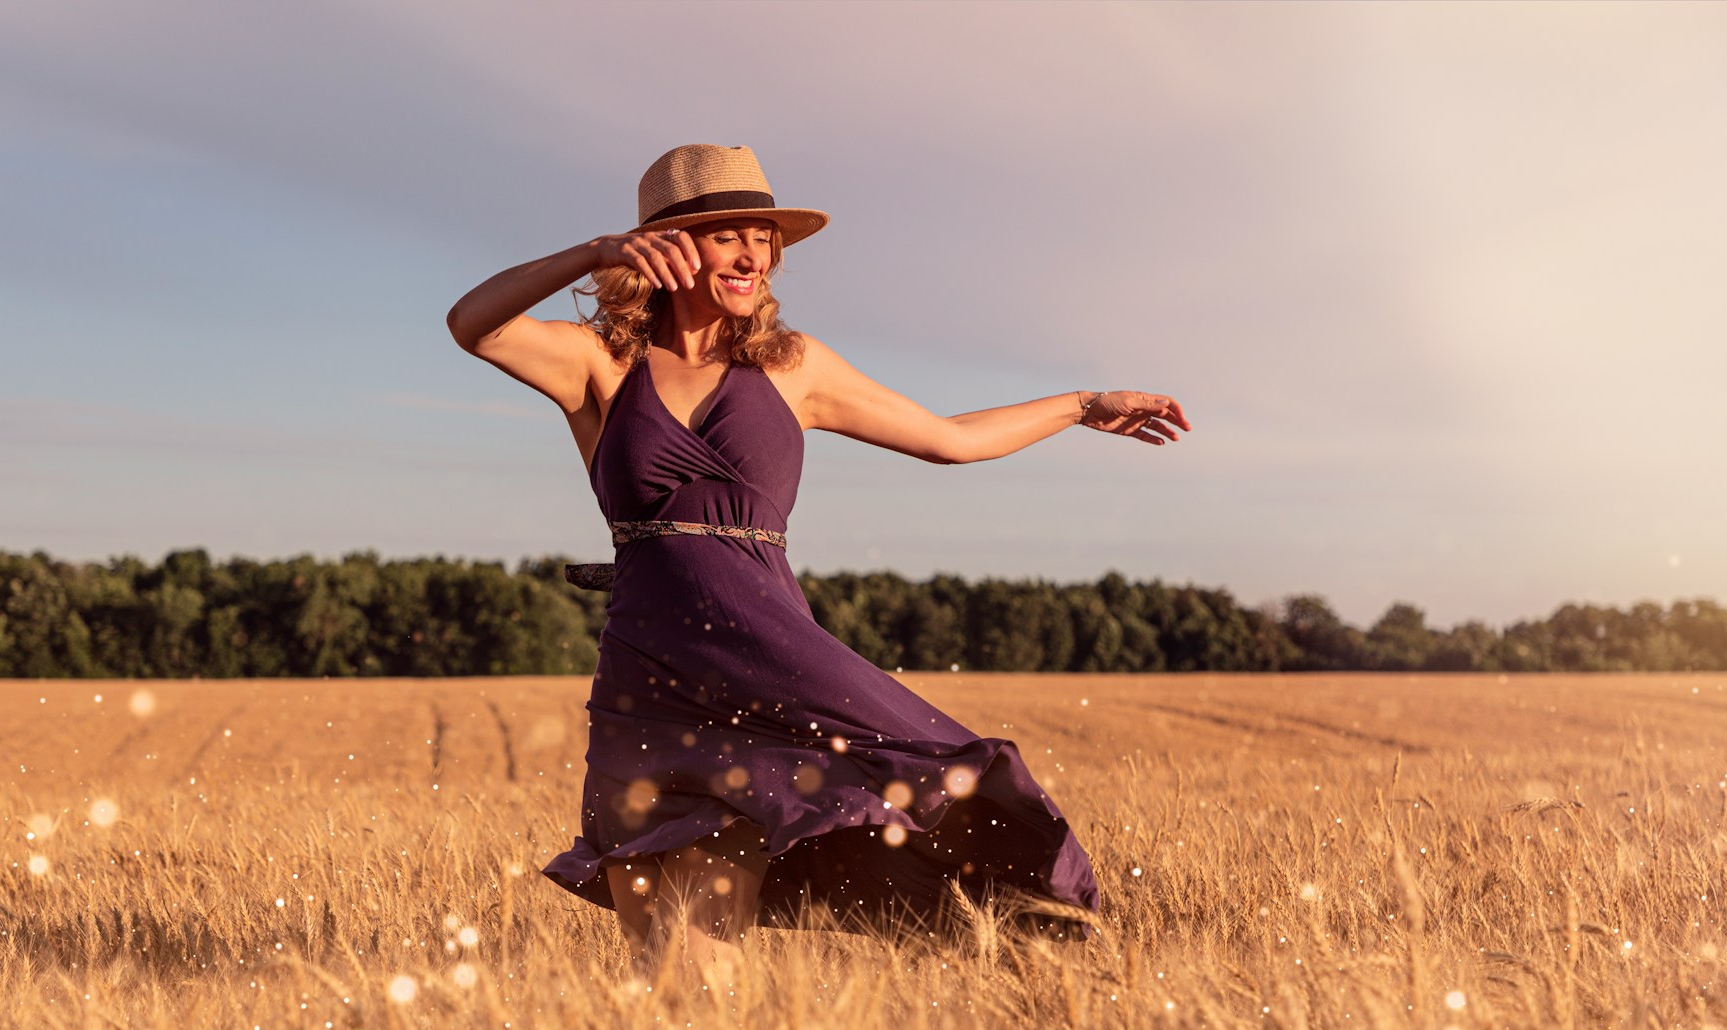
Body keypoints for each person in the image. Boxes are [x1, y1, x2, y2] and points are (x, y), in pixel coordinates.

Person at [446, 144, 1189, 987]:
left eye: (763, 237)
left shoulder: (793, 367)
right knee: (677, 981)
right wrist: (590, 254)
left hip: (777, 662)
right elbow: (475, 325)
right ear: (667, 247)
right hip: (653, 681)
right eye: (728, 235)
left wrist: (1083, 405)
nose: (753, 255)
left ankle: (1033, 957)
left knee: (937, 784)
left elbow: (949, 440)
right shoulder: (600, 365)